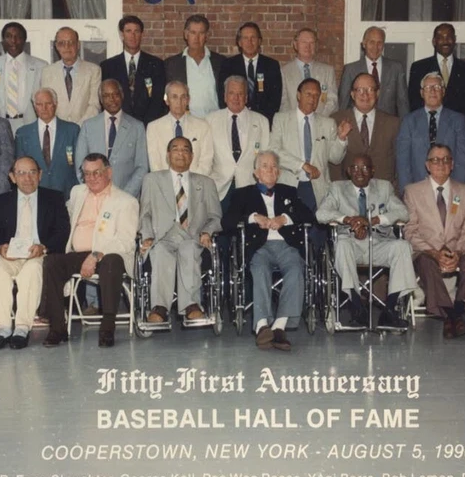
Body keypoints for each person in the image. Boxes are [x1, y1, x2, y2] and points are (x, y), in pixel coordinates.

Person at [41, 153, 138, 348]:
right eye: (87, 174)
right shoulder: (78, 192)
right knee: (51, 262)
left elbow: (125, 241)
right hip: (78, 253)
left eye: (97, 173)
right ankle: (57, 328)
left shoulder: (126, 201)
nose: (91, 178)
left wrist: (96, 255)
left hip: (110, 254)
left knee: (111, 262)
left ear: (108, 172)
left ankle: (108, 326)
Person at [223, 150, 315, 350]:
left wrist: (285, 218)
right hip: (259, 246)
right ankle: (263, 326)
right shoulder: (243, 194)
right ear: (256, 172)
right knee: (260, 270)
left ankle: (280, 326)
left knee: (295, 269)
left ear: (279, 172)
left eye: (274, 166)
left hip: (286, 245)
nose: (270, 170)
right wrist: (253, 217)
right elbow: (227, 221)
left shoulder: (289, 191)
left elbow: (309, 216)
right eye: (265, 166)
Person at [316, 154, 417, 330]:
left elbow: (403, 213)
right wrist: (348, 220)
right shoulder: (337, 188)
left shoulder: (384, 187)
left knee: (403, 247)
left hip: (378, 243)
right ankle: (356, 307)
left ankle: (390, 310)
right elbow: (321, 214)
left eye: (364, 168)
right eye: (354, 168)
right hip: (350, 244)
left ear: (372, 171)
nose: (359, 172)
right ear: (348, 171)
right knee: (342, 245)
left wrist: (373, 220)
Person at [0, 157, 69, 350]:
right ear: (12, 177)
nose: (27, 178)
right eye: (21, 173)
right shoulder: (3, 200)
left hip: (38, 254)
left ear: (40, 175)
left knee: (31, 272)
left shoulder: (54, 198)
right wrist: (0, 247)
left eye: (32, 172)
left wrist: (44, 247)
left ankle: (22, 328)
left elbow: (63, 231)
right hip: (11, 255)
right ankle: (3, 328)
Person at [403, 144, 465, 338]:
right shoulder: (412, 191)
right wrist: (434, 252)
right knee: (425, 263)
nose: (441, 164)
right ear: (427, 165)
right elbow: (410, 231)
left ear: (453, 164)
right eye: (435, 160)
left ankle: (455, 312)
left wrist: (458, 252)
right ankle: (452, 315)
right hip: (426, 252)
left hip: (456, 250)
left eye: (446, 159)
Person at [139, 138, 222, 324]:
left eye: (186, 150)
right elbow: (144, 214)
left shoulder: (206, 183)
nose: (180, 153)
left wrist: (207, 232)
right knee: (160, 252)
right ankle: (159, 307)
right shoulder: (152, 180)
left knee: (189, 250)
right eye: (175, 149)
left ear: (192, 156)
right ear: (168, 155)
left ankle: (191, 305)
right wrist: (147, 236)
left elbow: (215, 217)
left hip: (192, 238)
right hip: (163, 237)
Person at [271, 79, 352, 212]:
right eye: (308, 94)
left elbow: (335, 158)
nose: (312, 99)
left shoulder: (328, 123)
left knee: (316, 230)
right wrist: (302, 165)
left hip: (317, 187)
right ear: (298, 95)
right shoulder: (281, 119)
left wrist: (341, 138)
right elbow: (274, 150)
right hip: (289, 184)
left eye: (316, 95)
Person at [395, 72, 465, 194]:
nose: (432, 91)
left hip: (449, 189)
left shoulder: (458, 120)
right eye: (428, 88)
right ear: (421, 93)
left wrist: (456, 189)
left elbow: (464, 159)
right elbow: (403, 162)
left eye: (437, 87)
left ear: (443, 92)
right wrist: (408, 192)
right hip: (417, 189)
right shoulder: (409, 121)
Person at [74, 80, 149, 198]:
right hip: (93, 197)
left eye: (116, 94)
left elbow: (142, 167)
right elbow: (80, 165)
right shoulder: (88, 126)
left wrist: (124, 196)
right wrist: (93, 191)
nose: (112, 99)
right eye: (106, 96)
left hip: (125, 198)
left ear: (122, 96)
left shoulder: (137, 127)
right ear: (101, 100)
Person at [208, 76, 271, 208]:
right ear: (224, 97)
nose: (236, 98)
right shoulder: (210, 120)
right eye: (231, 93)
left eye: (240, 94)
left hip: (250, 188)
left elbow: (265, 158)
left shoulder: (261, 121)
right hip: (219, 189)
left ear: (246, 98)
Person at [330, 72, 400, 186]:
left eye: (370, 89)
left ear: (377, 93)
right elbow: (334, 166)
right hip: (348, 193)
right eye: (360, 90)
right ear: (352, 94)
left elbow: (399, 164)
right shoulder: (336, 120)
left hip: (383, 193)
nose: (365, 95)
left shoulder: (393, 123)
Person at [100, 15, 167, 124]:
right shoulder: (108, 66)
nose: (133, 35)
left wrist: (146, 124)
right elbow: (105, 101)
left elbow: (158, 99)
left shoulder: (156, 64)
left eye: (137, 31)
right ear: (122, 34)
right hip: (118, 125)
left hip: (148, 125)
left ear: (142, 34)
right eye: (128, 31)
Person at [14, 88, 80, 197]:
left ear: (55, 104)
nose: (44, 108)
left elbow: (79, 165)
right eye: (39, 104)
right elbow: (20, 169)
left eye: (48, 103)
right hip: (35, 194)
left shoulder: (72, 130)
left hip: (67, 193)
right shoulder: (23, 133)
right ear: (34, 107)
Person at [0, 22, 47, 131]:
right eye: (8, 36)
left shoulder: (41, 66)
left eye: (18, 36)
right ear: (3, 41)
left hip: (30, 124)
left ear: (24, 40)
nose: (13, 41)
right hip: (0, 124)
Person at [338, 26, 409, 120]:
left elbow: (402, 103)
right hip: (359, 125)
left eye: (379, 43)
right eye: (372, 42)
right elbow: (343, 104)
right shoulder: (350, 70)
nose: (376, 47)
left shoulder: (396, 68)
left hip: (388, 127)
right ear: (364, 44)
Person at [218, 22, 282, 125]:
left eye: (253, 38)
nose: (249, 42)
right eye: (245, 38)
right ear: (239, 42)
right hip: (236, 121)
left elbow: (275, 100)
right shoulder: (228, 65)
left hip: (263, 121)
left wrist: (263, 121)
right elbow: (223, 96)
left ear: (259, 41)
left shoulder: (271, 65)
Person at [408, 23, 465, 117]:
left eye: (449, 37)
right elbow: (414, 101)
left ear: (454, 39)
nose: (445, 41)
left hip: (457, 127)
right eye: (441, 37)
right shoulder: (419, 67)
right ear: (434, 41)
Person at [164, 14, 225, 118]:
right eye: (193, 33)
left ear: (207, 35)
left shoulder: (221, 62)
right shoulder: (171, 64)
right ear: (186, 34)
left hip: (215, 122)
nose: (196, 38)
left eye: (201, 33)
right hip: (187, 123)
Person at [146, 81, 214, 175]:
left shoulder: (202, 126)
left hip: (196, 183)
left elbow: (206, 162)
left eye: (183, 97)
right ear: (166, 100)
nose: (179, 101)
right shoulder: (153, 128)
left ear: (188, 100)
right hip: (165, 185)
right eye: (174, 97)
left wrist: (191, 184)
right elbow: (155, 165)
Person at [40, 26, 101, 124]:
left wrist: (77, 128)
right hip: (58, 131)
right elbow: (47, 105)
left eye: (71, 42)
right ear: (56, 46)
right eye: (62, 43)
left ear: (78, 45)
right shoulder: (47, 72)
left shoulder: (93, 71)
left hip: (84, 130)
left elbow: (94, 105)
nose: (66, 47)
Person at [279, 27, 338, 117]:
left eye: (312, 43)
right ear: (295, 45)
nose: (308, 46)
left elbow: (332, 101)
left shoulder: (328, 71)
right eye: (304, 42)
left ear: (316, 45)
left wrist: (317, 119)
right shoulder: (284, 71)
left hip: (321, 123)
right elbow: (283, 102)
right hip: (294, 124)